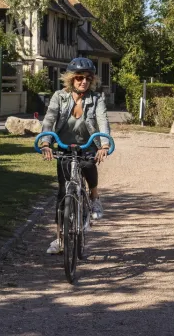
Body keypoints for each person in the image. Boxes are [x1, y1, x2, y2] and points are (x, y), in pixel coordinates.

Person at [39, 57, 111, 255]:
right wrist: (45, 142)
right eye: (79, 77)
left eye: (88, 78)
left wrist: (104, 145)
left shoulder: (96, 99)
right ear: (71, 78)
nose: (84, 81)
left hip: (87, 146)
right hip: (64, 146)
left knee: (88, 165)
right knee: (63, 193)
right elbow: (49, 120)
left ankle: (94, 197)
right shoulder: (59, 97)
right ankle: (60, 239)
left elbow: (103, 121)